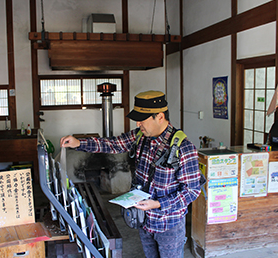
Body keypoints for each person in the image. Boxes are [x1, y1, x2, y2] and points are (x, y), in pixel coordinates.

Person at [61, 90, 201, 258]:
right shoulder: (140, 137)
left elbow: (192, 191)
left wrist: (157, 204)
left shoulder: (183, 148)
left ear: (160, 117)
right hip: (143, 219)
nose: (138, 124)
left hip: (168, 224)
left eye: (142, 120)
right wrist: (79, 143)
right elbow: (112, 144)